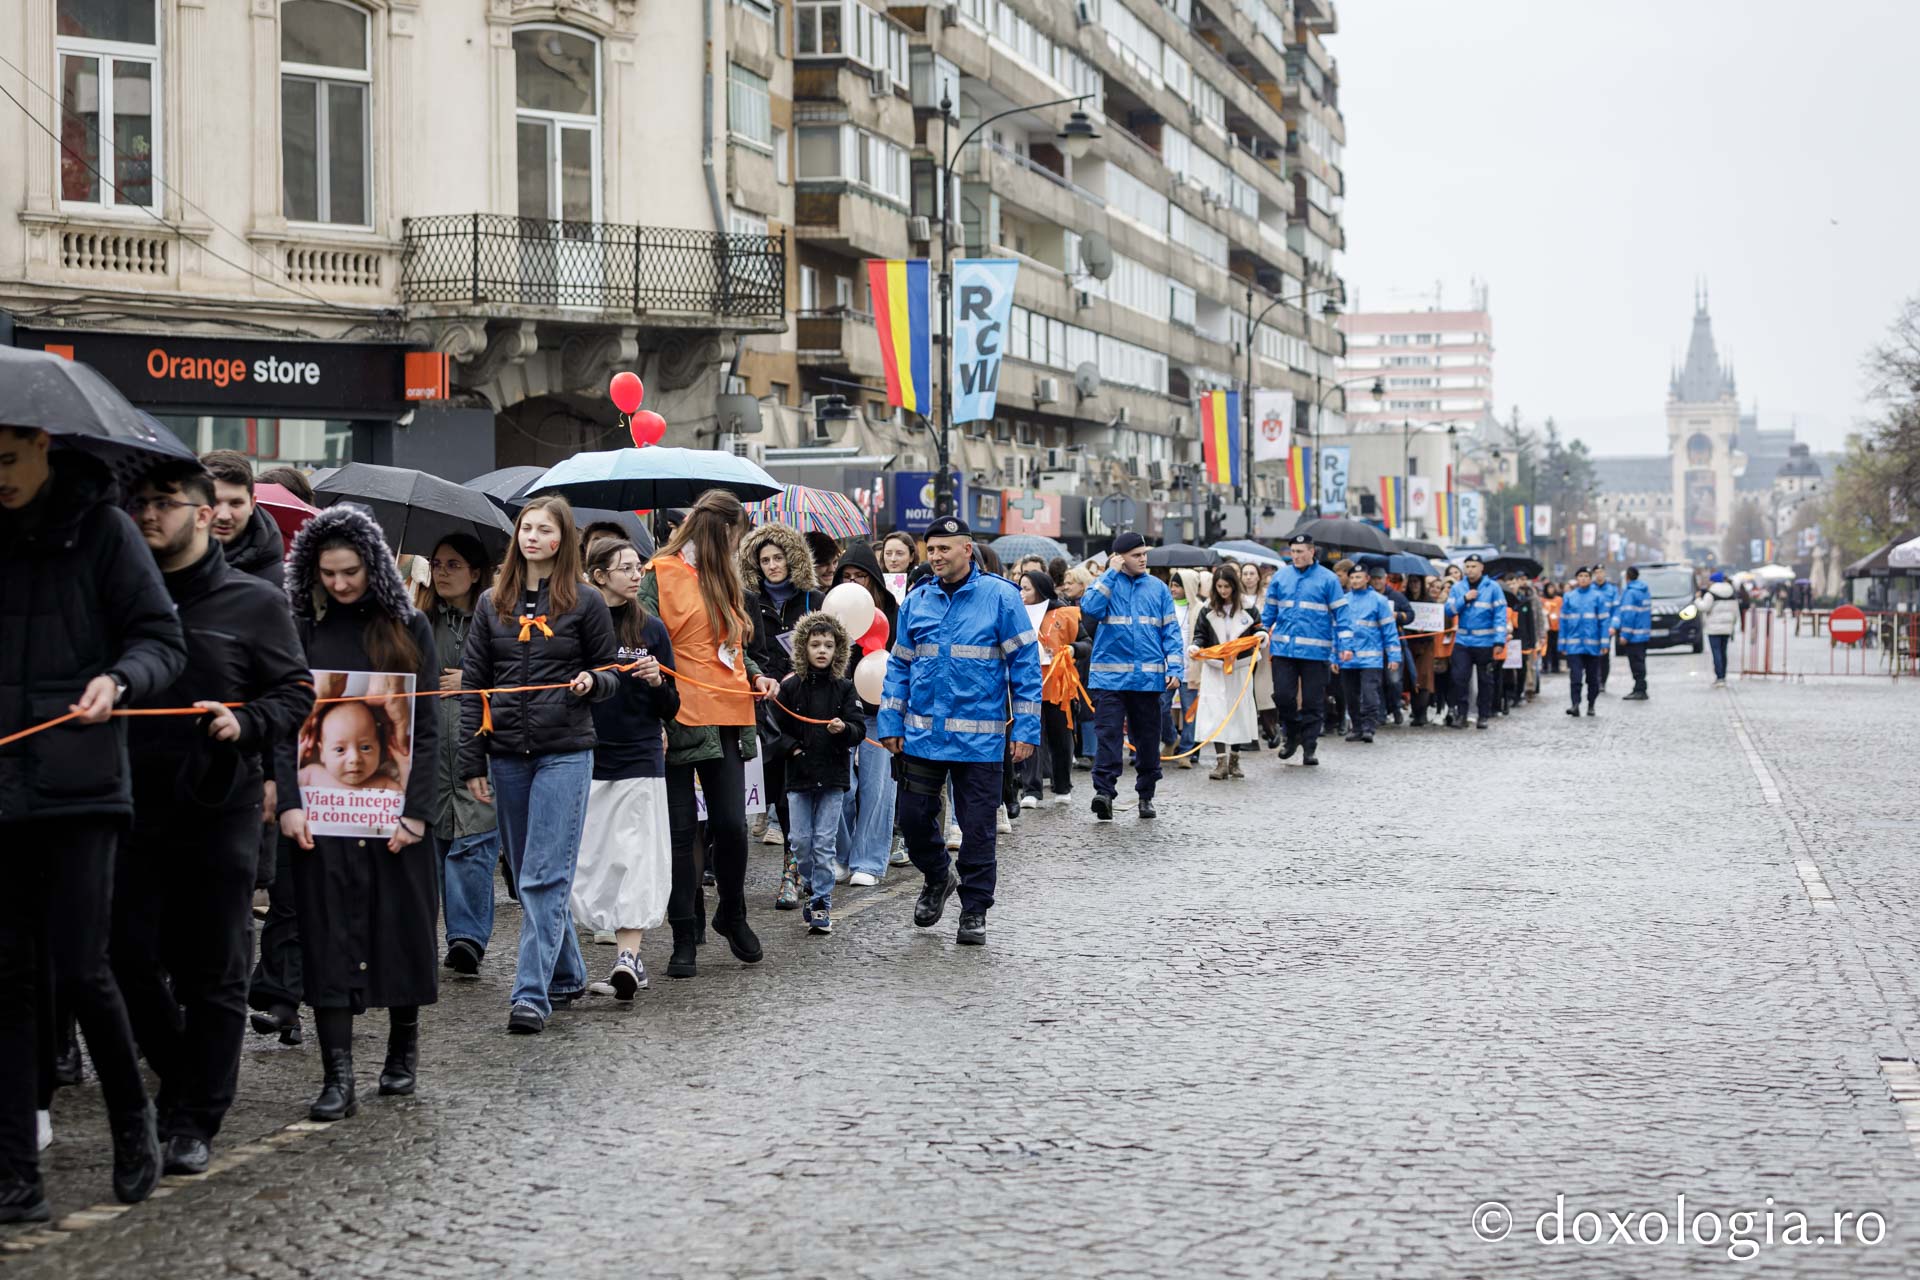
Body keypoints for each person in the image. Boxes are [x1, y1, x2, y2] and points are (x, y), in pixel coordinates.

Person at [0, 430, 188, 1219]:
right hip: (4, 787)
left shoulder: (105, 527)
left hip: (82, 782)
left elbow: (161, 640)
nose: (0, 478)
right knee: (9, 981)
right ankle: (16, 1174)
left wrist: (119, 679)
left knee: (81, 967)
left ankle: (132, 1121)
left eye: (9, 460)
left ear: (41, 446)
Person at [112, 461, 312, 1177]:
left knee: (216, 971)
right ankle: (181, 1074)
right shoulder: (124, 597)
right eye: (141, 503)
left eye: (166, 503)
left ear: (202, 514)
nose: (149, 515)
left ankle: (198, 1116)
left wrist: (247, 720)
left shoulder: (252, 601)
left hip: (219, 807)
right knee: (124, 957)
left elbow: (295, 692)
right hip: (129, 804)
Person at [275, 505, 441, 1119]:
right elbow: (284, 722)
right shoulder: (301, 630)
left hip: (396, 816)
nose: (341, 584)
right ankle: (336, 1074)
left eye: (351, 572)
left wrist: (417, 812)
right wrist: (290, 804)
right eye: (328, 573)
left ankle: (402, 1050)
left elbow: (425, 731)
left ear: (373, 567)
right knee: (328, 935)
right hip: (324, 818)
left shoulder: (409, 628)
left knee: (401, 929)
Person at [457, 496, 619, 1035]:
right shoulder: (490, 603)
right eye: (525, 528)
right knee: (528, 875)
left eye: (543, 529)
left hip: (566, 751)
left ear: (561, 539)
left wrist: (594, 681)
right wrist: (470, 761)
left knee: (545, 877)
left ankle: (530, 995)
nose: (531, 536)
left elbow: (610, 671)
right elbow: (473, 688)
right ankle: (569, 973)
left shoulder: (587, 602)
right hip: (504, 754)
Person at [635, 491, 780, 980]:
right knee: (680, 835)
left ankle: (731, 913)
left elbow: (735, 647)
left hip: (730, 713)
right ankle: (683, 934)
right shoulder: (659, 572)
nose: (739, 545)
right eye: (735, 535)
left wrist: (758, 673)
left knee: (732, 828)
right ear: (716, 530)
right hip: (678, 715)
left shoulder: (728, 579)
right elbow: (643, 640)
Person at [878, 516, 1040, 947]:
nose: (935, 557)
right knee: (913, 821)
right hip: (922, 738)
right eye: (930, 550)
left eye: (944, 549)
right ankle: (936, 876)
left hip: (981, 741)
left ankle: (974, 910)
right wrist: (890, 720)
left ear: (967, 550)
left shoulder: (1001, 599)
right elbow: (898, 666)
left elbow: (1024, 668)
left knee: (979, 830)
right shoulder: (917, 600)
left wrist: (1026, 728)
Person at [574, 538, 678, 998]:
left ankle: (628, 957)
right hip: (587, 756)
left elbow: (673, 705)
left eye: (639, 567)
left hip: (640, 757)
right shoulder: (577, 627)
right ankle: (574, 963)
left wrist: (658, 682)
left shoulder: (652, 629)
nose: (637, 575)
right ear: (598, 576)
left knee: (637, 858)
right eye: (626, 568)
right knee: (593, 860)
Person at [415, 536, 501, 978]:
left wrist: (474, 679)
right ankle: (419, 940)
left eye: (453, 564)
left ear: (475, 572)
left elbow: (522, 672)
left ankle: (466, 939)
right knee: (430, 849)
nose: (442, 571)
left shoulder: (498, 618)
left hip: (480, 751)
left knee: (473, 848)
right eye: (436, 562)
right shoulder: (416, 620)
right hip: (428, 755)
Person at [738, 522, 823, 908]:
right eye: (765, 559)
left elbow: (831, 649)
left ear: (794, 559)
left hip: (801, 707)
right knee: (763, 790)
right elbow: (740, 648)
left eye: (778, 557)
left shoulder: (812, 598)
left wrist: (800, 673)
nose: (773, 565)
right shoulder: (746, 601)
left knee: (794, 795)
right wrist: (761, 678)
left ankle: (794, 870)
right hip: (759, 705)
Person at [769, 613, 865, 935]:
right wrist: (792, 747)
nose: (822, 650)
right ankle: (809, 885)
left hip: (833, 777)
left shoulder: (845, 688)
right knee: (800, 841)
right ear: (803, 648)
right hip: (799, 776)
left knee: (825, 842)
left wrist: (845, 729)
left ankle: (822, 900)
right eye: (815, 644)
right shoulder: (791, 687)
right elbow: (774, 727)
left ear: (837, 650)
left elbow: (859, 729)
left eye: (828, 645)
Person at [1079, 532, 1184, 821]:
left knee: (1148, 740)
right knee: (1108, 736)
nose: (1143, 559)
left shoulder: (1158, 589)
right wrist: (1109, 575)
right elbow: (1089, 608)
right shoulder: (1105, 584)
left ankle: (1146, 795)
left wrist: (1175, 668)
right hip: (1109, 681)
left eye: (1144, 553)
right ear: (1119, 557)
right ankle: (1104, 793)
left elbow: (1171, 632)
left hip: (1147, 681)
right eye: (1136, 555)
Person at [827, 540, 901, 882]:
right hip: (839, 709)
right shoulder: (831, 611)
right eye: (847, 576)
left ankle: (869, 861)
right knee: (841, 784)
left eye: (861, 576)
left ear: (873, 578)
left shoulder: (892, 611)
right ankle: (841, 854)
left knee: (878, 785)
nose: (854, 582)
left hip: (879, 709)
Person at [1260, 533, 1344, 766]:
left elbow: (1342, 615)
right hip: (1284, 650)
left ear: (1312, 552)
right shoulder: (1281, 577)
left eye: (1300, 552)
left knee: (1313, 702)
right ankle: (1293, 733)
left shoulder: (1328, 579)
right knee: (1283, 696)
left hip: (1316, 653)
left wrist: (1343, 646)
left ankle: (1309, 747)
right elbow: (1269, 612)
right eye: (1292, 552)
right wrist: (1261, 631)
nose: (1295, 556)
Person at [1190, 566, 1260, 779]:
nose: (1223, 590)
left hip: (1240, 667)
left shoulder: (1248, 607)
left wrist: (1262, 636)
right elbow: (1200, 634)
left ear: (1234, 586)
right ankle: (1221, 761)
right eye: (1219, 586)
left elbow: (1258, 628)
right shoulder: (1207, 608)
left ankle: (1235, 759)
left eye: (1226, 586)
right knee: (1216, 713)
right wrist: (1195, 646)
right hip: (1215, 668)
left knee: (1238, 711)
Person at [1027, 570, 1084, 804]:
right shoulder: (1018, 614)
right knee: (1030, 736)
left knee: (1060, 736)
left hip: (1058, 685)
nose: (1022, 593)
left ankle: (1062, 786)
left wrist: (1073, 649)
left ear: (1040, 590)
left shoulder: (1065, 614)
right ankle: (1031, 789)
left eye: (1027, 588)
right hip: (1028, 684)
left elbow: (1086, 642)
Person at [199, 450, 285, 590]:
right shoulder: (165, 566)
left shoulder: (283, 583)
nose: (224, 515)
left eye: (235, 503)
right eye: (214, 502)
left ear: (252, 503)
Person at [1335, 564, 1401, 743]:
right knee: (1351, 696)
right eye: (1353, 578)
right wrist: (1334, 655)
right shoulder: (1343, 600)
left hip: (1371, 658)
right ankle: (1356, 727)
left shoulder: (1379, 600)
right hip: (1348, 658)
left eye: (1359, 577)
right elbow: (1336, 629)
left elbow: (1389, 629)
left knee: (1370, 694)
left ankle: (1369, 727)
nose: (1355, 581)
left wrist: (1394, 656)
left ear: (1367, 579)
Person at [1444, 554, 1507, 730]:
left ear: (1481, 568)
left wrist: (1499, 642)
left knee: (1485, 681)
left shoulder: (1493, 588)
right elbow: (1449, 611)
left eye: (1473, 566)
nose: (1470, 569)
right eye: (1468, 566)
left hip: (1485, 642)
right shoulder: (1458, 587)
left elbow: (1500, 616)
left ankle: (1483, 715)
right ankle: (1462, 714)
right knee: (1459, 678)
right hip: (1463, 640)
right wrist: (1464, 599)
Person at [1558, 567, 1610, 717]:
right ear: (1576, 578)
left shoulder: (1598, 597)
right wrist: (1562, 644)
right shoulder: (1569, 597)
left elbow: (1603, 622)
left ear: (1590, 578)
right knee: (1575, 677)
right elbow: (1564, 622)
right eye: (1580, 576)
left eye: (1586, 576)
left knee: (1593, 679)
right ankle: (1575, 704)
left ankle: (1591, 704)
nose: (1583, 578)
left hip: (1593, 647)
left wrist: (1604, 643)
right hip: (1574, 646)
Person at [1373, 565, 1414, 726]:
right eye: (1374, 578)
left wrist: (1398, 616)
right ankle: (1381, 712)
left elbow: (1410, 615)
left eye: (1379, 578)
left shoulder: (1396, 596)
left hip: (1393, 643)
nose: (1377, 582)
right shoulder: (1368, 597)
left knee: (1394, 680)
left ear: (1385, 580)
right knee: (1377, 681)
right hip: (1374, 644)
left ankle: (1396, 707)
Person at [1614, 565, 1653, 700]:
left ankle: (1640, 689)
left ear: (1627, 577)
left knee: (1636, 663)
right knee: (1641, 661)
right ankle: (1640, 687)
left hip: (1634, 636)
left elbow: (1628, 616)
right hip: (1643, 633)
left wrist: (1625, 635)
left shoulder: (1630, 592)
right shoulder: (1644, 590)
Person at [1696, 571, 1738, 686]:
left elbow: (1704, 607)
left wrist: (1698, 600)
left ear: (1713, 581)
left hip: (1713, 627)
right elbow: (1736, 611)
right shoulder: (1731, 592)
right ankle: (1723, 676)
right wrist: (1733, 624)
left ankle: (1719, 677)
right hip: (1727, 627)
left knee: (1716, 652)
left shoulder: (1711, 593)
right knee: (1723, 651)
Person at [1591, 564, 1620, 693]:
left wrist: (1613, 626)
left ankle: (1602, 681)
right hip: (1591, 628)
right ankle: (1594, 679)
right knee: (1592, 655)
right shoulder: (1590, 589)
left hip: (1606, 627)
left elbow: (1616, 610)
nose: (1599, 574)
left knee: (1604, 655)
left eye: (1601, 572)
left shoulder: (1612, 590)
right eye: (1596, 572)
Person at [1540, 581, 1564, 674]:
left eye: (1552, 588)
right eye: (1549, 588)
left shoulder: (1559, 600)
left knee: (1555, 648)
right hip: (1546, 627)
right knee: (1546, 648)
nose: (1551, 590)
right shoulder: (1542, 600)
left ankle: (1555, 666)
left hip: (1557, 627)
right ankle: (1545, 665)